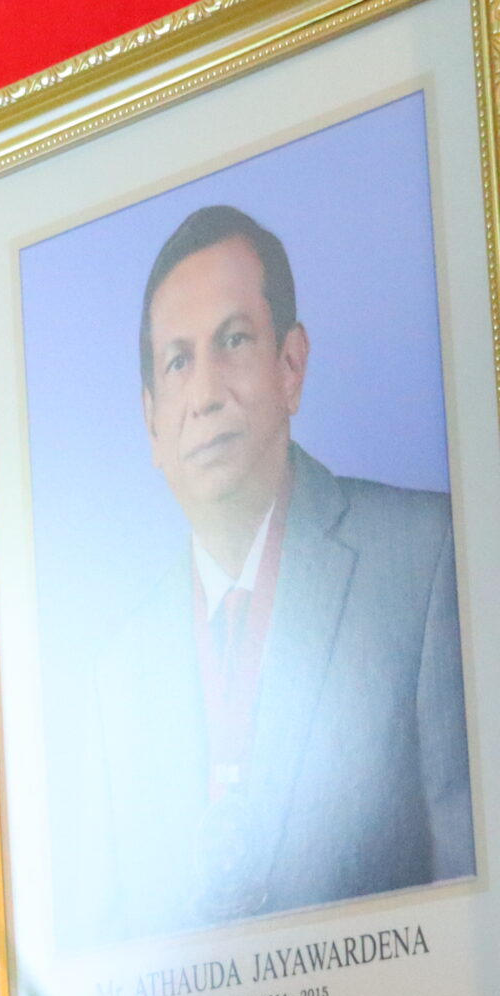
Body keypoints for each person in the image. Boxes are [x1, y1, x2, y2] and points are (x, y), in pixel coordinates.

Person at [72, 204, 473, 946]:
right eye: (178, 361)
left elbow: (475, 910)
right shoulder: (119, 670)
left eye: (233, 341)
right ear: (152, 422)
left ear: (291, 366)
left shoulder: (427, 557)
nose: (206, 393)